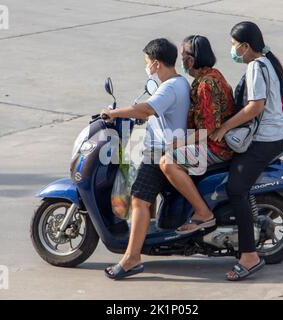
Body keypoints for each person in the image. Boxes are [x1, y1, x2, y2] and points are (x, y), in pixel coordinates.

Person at [101, 38, 191, 280]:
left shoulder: (170, 87)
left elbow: (147, 109)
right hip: (165, 147)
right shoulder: (179, 83)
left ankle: (131, 258)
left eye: (147, 62)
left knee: (139, 200)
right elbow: (155, 113)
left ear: (157, 63)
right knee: (145, 199)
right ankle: (144, 242)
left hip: (161, 152)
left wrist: (113, 113)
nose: (147, 67)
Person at [209, 21, 283, 281]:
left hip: (265, 139)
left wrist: (223, 128)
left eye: (234, 45)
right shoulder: (267, 60)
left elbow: (255, 107)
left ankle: (249, 256)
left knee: (236, 188)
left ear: (245, 46)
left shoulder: (256, 66)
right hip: (272, 135)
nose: (232, 50)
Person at [159, 35, 235, 234]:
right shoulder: (212, 75)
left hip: (216, 148)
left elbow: (207, 130)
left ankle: (203, 213)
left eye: (183, 55)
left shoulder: (205, 85)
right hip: (213, 143)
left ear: (191, 60)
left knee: (168, 163)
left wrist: (178, 144)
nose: (181, 60)